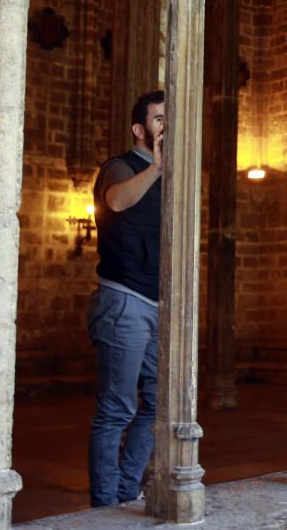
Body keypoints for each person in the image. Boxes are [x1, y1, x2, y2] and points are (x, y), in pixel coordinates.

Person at [87, 90, 165, 507]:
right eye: (159, 120)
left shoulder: (165, 174)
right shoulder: (119, 167)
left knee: (155, 405)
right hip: (123, 302)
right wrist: (156, 167)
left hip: (157, 305)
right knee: (116, 409)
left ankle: (124, 491)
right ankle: (104, 506)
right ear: (140, 129)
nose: (166, 127)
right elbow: (116, 201)